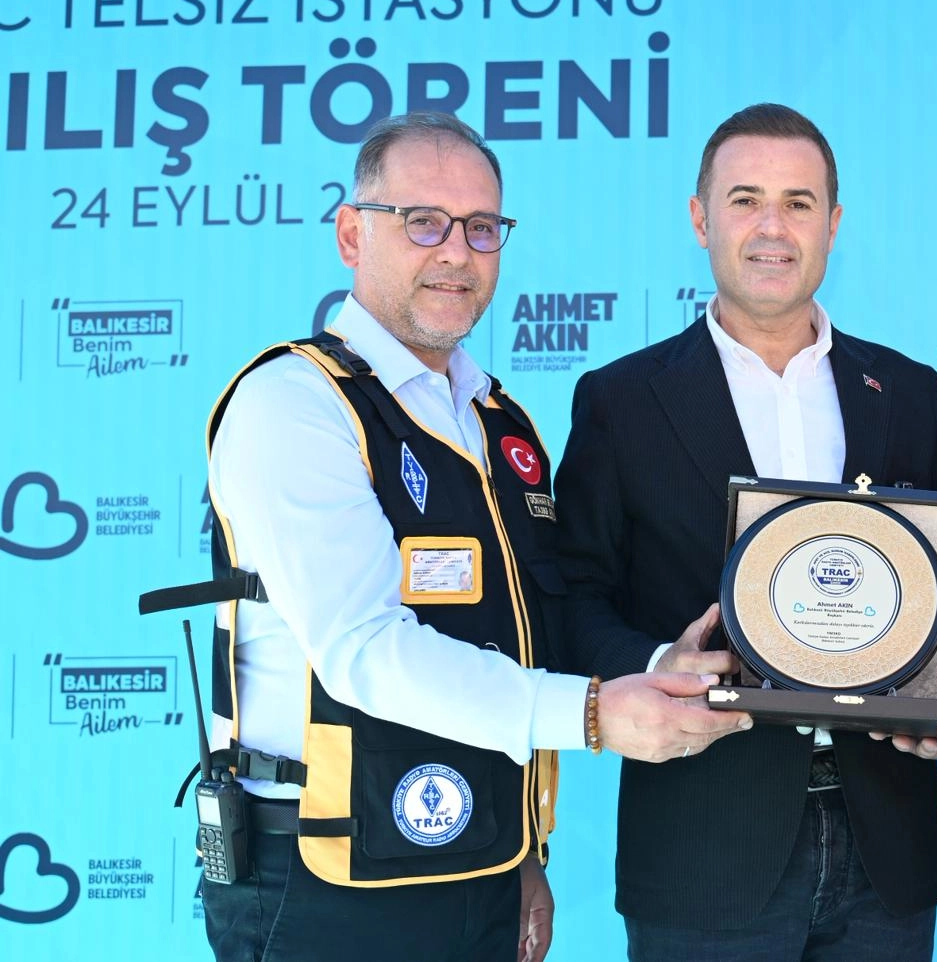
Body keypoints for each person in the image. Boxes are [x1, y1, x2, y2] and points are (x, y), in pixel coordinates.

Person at [159, 112, 749, 962]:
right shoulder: (292, 401)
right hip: (325, 877)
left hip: (481, 860)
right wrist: (590, 714)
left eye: (481, 228)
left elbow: (525, 631)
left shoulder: (500, 423)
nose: (457, 252)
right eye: (423, 221)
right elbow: (363, 648)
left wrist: (526, 849)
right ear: (352, 235)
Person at [553, 103, 937, 960]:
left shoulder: (909, 392)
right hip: (703, 841)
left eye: (798, 202)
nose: (772, 228)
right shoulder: (621, 400)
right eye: (745, 199)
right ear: (700, 219)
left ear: (833, 224)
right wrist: (658, 665)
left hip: (887, 845)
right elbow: (572, 596)